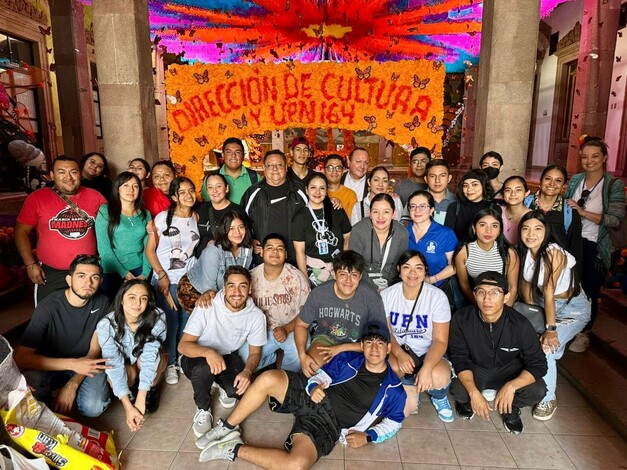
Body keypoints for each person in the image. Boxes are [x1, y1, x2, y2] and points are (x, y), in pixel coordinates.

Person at [196, 322, 406, 468]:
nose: (374, 348)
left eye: (380, 343)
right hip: (314, 397)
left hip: (328, 424)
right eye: (369, 342)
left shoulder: (394, 389)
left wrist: (368, 436)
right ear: (362, 346)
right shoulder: (349, 359)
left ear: (389, 348)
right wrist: (314, 386)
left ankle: (231, 447)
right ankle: (228, 427)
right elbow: (322, 375)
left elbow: (394, 422)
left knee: (296, 466)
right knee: (269, 378)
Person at [449, 271, 547, 435]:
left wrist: (511, 386)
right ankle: (469, 403)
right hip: (476, 367)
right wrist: (473, 393)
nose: (487, 299)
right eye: (481, 292)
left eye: (494, 293)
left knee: (537, 390)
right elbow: (460, 358)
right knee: (459, 389)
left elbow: (539, 364)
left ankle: (511, 408)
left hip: (508, 368)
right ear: (474, 295)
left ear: (506, 297)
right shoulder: (462, 318)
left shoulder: (520, 324)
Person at [14, 254, 111, 417]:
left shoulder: (103, 303)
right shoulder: (48, 306)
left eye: (94, 277)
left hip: (84, 364)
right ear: (69, 280)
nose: (88, 283)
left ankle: (66, 392)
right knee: (27, 385)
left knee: (93, 407)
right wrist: (72, 364)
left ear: (100, 281)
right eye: (81, 276)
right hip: (50, 365)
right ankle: (51, 403)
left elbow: (94, 350)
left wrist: (72, 384)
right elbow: (22, 358)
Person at [178, 266, 266, 442]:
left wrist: (247, 372)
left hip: (226, 355)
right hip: (195, 357)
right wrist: (208, 352)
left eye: (242, 286)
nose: (236, 292)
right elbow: (183, 346)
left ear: (250, 289)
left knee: (241, 390)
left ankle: (222, 385)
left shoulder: (256, 316)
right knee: (204, 369)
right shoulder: (207, 304)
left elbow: (255, 352)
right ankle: (203, 409)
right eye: (231, 286)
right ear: (224, 288)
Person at [518, 211, 591, 420]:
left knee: (547, 347)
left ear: (546, 231)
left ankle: (548, 398)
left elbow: (549, 290)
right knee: (526, 338)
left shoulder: (552, 252)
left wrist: (549, 330)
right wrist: (531, 317)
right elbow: (527, 288)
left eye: (537, 229)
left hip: (571, 309)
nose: (530, 234)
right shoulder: (526, 252)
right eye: (526, 228)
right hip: (544, 304)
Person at [15, 155, 106, 304]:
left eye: (73, 172)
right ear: (52, 175)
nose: (68, 177)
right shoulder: (37, 198)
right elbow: (21, 232)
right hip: (50, 273)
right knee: (49, 320)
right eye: (62, 172)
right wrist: (30, 264)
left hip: (87, 272)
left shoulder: (95, 197)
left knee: (88, 320)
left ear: (80, 173)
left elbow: (111, 227)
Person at [564, 136, 626, 353]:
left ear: (604, 158)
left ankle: (584, 332)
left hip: (595, 245)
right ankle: (568, 327)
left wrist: (584, 213)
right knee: (568, 287)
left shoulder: (613, 185)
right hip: (572, 243)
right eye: (584, 157)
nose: (589, 161)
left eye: (595, 156)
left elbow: (615, 219)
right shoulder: (576, 180)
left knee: (589, 289)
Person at [382, 250, 454, 421]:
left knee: (438, 375)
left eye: (418, 268)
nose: (412, 273)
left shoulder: (437, 297)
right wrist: (399, 354)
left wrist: (427, 368)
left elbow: (440, 340)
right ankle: (411, 386)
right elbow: (387, 332)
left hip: (427, 351)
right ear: (399, 270)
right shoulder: (387, 295)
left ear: (425, 271)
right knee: (389, 370)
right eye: (407, 267)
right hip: (399, 350)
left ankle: (439, 396)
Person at [294, 250, 388, 376]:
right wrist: (302, 355)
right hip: (326, 340)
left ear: (360, 276)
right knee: (312, 368)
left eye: (354, 275)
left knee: (358, 378)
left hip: (359, 344)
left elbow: (380, 338)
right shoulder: (319, 293)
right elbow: (301, 325)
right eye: (343, 274)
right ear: (334, 274)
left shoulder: (371, 297)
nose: (348, 280)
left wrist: (341, 348)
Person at [146, 177, 199, 385]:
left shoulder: (195, 216)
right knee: (170, 323)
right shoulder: (161, 218)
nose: (188, 195)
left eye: (191, 190)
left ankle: (182, 360)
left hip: (189, 281)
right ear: (174, 196)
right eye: (182, 192)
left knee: (187, 323)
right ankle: (170, 365)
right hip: (166, 280)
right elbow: (150, 250)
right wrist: (161, 275)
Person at [96, 279, 167, 431]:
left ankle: (150, 388)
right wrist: (128, 407)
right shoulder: (105, 325)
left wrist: (142, 397)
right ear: (121, 299)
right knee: (115, 376)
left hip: (146, 359)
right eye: (132, 297)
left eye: (144, 298)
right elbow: (113, 364)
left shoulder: (157, 317)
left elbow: (149, 357)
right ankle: (133, 388)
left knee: (151, 361)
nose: (138, 303)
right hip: (125, 363)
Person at [247, 234, 311, 372]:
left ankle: (285, 378)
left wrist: (286, 329)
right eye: (270, 248)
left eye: (280, 248)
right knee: (243, 359)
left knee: (300, 356)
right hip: (260, 333)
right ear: (262, 252)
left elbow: (307, 313)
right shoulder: (250, 277)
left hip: (291, 330)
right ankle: (272, 359)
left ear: (286, 254)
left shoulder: (297, 278)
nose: (275, 252)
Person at [178, 211, 253, 313]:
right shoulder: (213, 250)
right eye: (231, 228)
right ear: (224, 230)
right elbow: (209, 289)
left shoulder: (248, 249)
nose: (237, 232)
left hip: (221, 290)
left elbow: (241, 277)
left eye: (241, 227)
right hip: (194, 289)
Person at [241, 150, 307, 264]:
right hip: (262, 261)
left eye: (279, 165)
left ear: (286, 167)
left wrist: (332, 201)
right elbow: (240, 221)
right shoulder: (253, 193)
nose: (275, 169)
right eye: (270, 165)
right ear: (264, 168)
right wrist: (249, 240)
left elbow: (317, 214)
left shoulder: (300, 190)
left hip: (295, 258)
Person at [95, 172, 152, 298]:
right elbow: (104, 248)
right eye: (125, 185)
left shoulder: (145, 214)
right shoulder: (105, 211)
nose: (131, 189)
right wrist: (124, 273)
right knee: (113, 311)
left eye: (135, 186)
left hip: (139, 269)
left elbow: (148, 245)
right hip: (112, 272)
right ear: (117, 188)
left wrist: (145, 272)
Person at [292, 173, 351, 286]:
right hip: (313, 272)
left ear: (326, 191)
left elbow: (347, 236)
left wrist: (343, 264)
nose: (317, 192)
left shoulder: (336, 210)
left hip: (338, 269)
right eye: (313, 188)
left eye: (322, 188)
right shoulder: (300, 216)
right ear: (306, 190)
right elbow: (300, 252)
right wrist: (305, 281)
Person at [454, 208, 519, 307]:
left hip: (502, 302)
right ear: (474, 228)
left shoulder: (509, 253)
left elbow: (513, 287)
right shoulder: (463, 252)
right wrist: (482, 307)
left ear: (499, 230)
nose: (488, 230)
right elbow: (465, 286)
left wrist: (505, 311)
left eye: (494, 226)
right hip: (477, 301)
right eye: (482, 225)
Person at [523, 165, 582, 267]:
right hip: (526, 264)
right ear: (540, 181)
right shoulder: (526, 203)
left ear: (563, 185)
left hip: (556, 268)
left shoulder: (569, 211)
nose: (552, 184)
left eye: (558, 181)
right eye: (548, 179)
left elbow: (575, 247)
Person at [349, 193, 408, 291]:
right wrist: (374, 288)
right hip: (361, 283)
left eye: (386, 212)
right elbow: (355, 265)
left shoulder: (401, 232)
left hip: (390, 285)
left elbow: (398, 266)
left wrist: (388, 289)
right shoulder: (358, 230)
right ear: (370, 213)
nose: (380, 217)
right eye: (375, 212)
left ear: (394, 214)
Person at [406, 190, 458, 292]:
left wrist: (432, 280)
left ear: (431, 210)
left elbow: (454, 266)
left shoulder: (446, 234)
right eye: (413, 206)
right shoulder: (402, 233)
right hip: (408, 288)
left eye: (423, 206)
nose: (417, 210)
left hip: (438, 289)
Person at [444, 168, 501, 243]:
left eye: (474, 185)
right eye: (465, 186)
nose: (469, 189)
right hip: (458, 251)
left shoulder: (494, 208)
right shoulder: (454, 207)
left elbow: (496, 236)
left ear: (484, 186)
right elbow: (448, 235)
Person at [196, 171, 247, 253]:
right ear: (207, 191)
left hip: (227, 260)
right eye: (210, 187)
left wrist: (218, 243)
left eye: (218, 186)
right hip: (200, 260)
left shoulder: (238, 211)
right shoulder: (200, 209)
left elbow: (244, 238)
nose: (214, 191)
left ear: (226, 188)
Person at [219, 137, 259, 204]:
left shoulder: (255, 178)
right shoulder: (211, 178)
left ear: (243, 155)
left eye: (237, 152)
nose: (233, 155)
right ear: (223, 155)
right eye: (229, 152)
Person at [501, 175, 531, 245]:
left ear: (526, 193)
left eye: (518, 190)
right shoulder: (497, 211)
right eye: (508, 190)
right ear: (503, 194)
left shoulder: (532, 216)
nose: (513, 194)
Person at [325, 154, 358, 218]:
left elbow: (350, 222)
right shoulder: (318, 192)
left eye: (338, 168)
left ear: (343, 171)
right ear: (324, 170)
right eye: (330, 168)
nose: (334, 171)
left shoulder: (350, 195)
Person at [424, 159, 457, 225]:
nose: (437, 180)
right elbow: (405, 224)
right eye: (432, 176)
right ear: (426, 179)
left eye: (442, 176)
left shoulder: (457, 200)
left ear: (449, 178)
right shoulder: (416, 199)